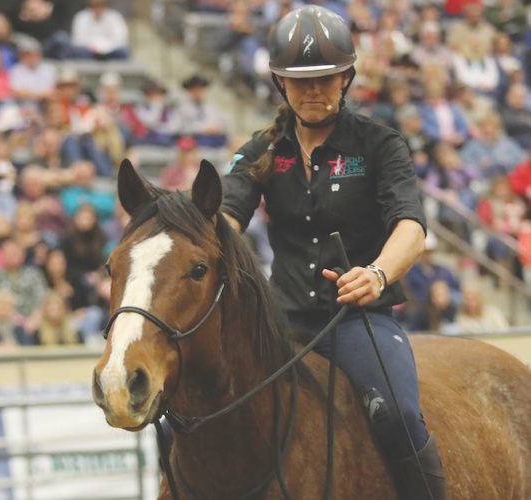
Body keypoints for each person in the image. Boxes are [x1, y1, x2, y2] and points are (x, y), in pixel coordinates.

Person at [220, 6, 446, 499]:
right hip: (280, 323)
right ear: (281, 83)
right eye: (301, 81)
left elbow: (410, 224)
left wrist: (378, 274)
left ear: (347, 77)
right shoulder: (261, 148)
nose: (315, 90)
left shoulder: (380, 144)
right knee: (195, 409)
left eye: (326, 78)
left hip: (358, 318)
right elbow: (224, 218)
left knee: (401, 415)